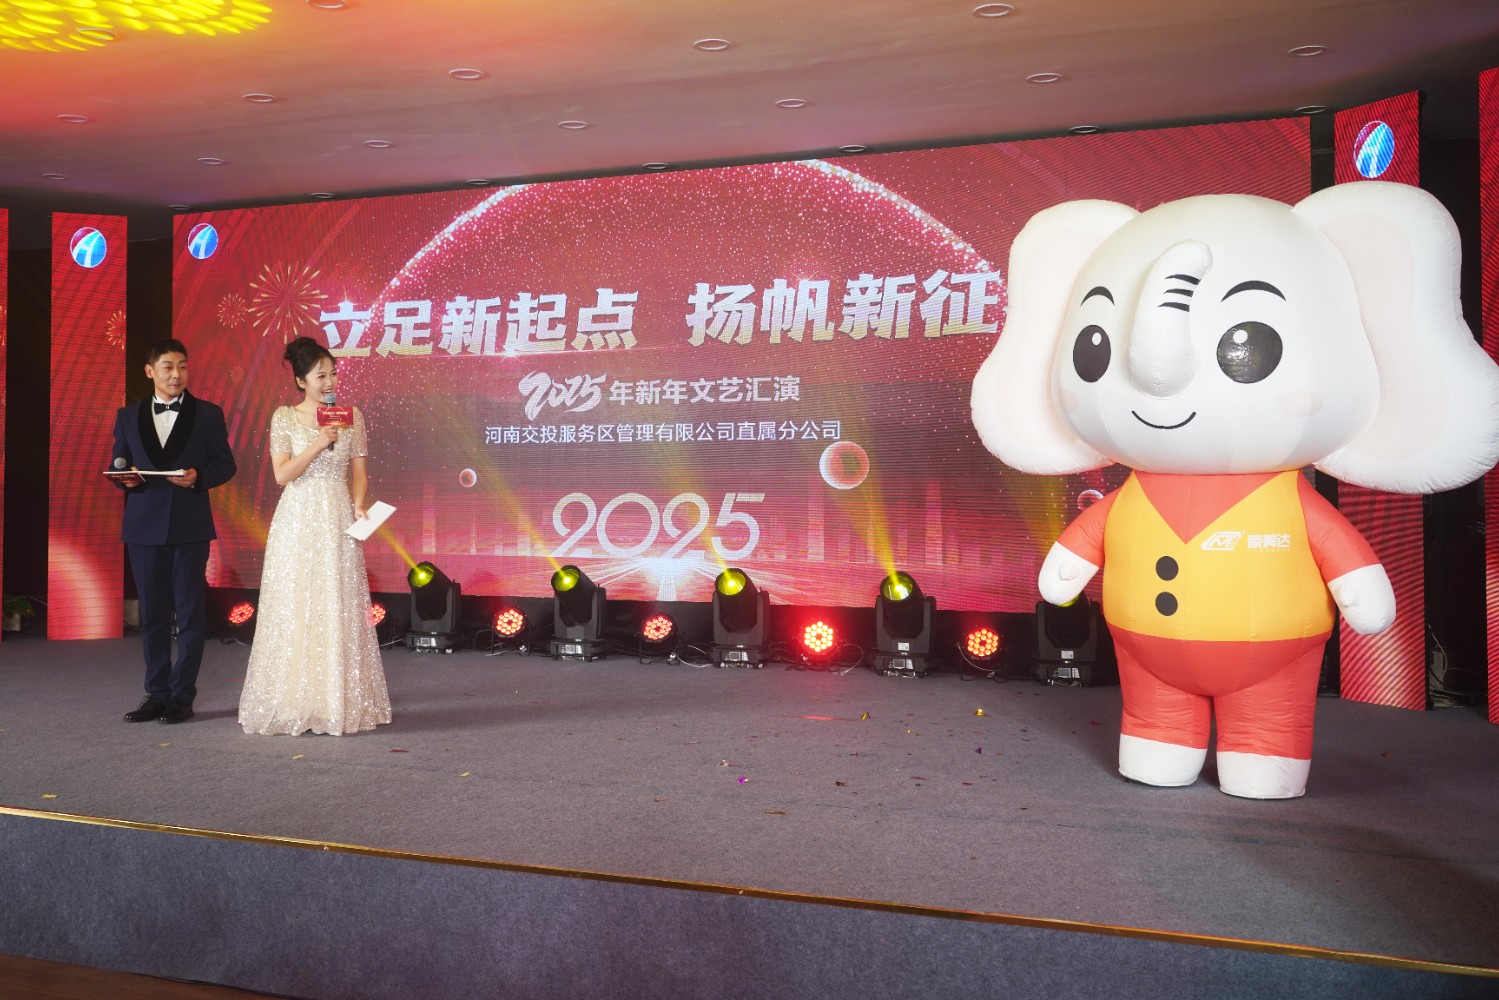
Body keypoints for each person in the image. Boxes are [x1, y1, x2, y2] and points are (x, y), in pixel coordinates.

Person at [238, 336, 391, 736]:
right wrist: (321, 441)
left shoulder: (351, 416)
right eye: (320, 375)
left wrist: (359, 504)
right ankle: (294, 700)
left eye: (333, 373)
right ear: (300, 380)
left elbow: (359, 473)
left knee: (336, 601)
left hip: (337, 514)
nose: (330, 382)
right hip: (297, 518)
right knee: (295, 602)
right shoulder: (284, 418)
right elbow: (282, 474)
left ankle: (334, 700)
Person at [112, 338, 237, 725]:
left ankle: (183, 696)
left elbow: (225, 465)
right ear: (150, 371)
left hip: (189, 526)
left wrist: (199, 477)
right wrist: (125, 477)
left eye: (182, 366)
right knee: (151, 615)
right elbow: (119, 462)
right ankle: (157, 693)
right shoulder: (128, 415)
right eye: (168, 367)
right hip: (143, 526)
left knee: (189, 614)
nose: (176, 374)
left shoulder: (208, 414)